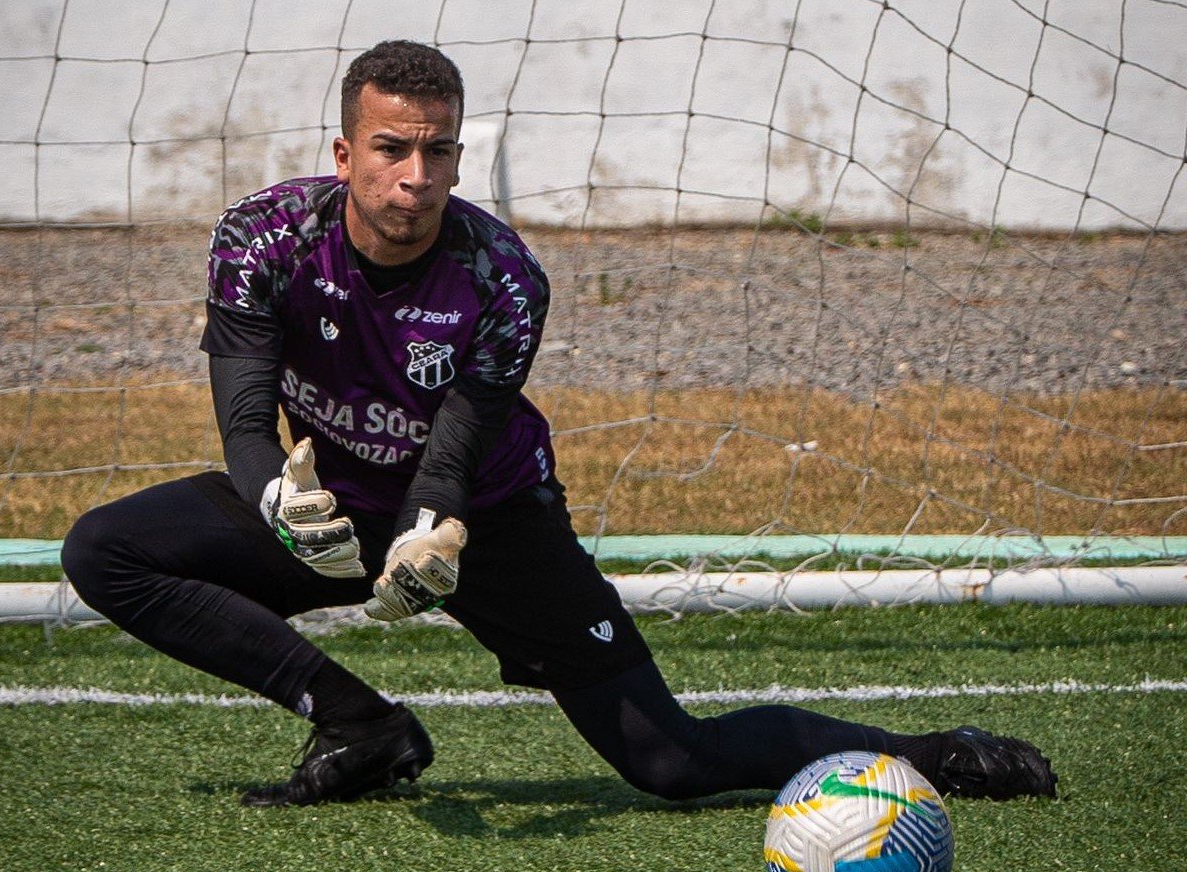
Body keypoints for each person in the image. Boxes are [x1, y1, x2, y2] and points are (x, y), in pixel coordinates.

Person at [63, 40, 1057, 808]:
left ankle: (936, 757)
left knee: (672, 761)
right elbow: (243, 418)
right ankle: (359, 725)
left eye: (437, 150)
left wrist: (430, 534)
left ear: (457, 152)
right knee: (108, 550)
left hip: (485, 522)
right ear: (343, 153)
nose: (415, 175)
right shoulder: (264, 239)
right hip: (329, 508)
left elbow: (453, 458)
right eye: (390, 148)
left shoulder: (500, 276)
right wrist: (276, 494)